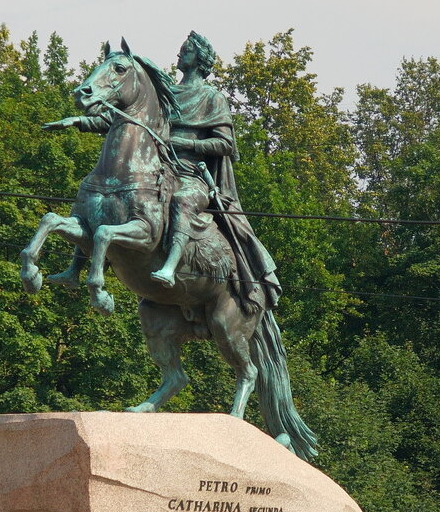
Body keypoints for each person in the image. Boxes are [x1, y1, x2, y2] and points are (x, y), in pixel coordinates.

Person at [44, 31, 280, 312]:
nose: (180, 54)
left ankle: (170, 267)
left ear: (201, 59)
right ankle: (75, 268)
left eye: (187, 50)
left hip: (191, 174)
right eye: (181, 49)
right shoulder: (166, 93)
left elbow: (225, 143)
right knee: (100, 197)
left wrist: (183, 141)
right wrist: (79, 121)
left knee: (181, 200)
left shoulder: (211, 97)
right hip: (157, 167)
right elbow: (121, 119)